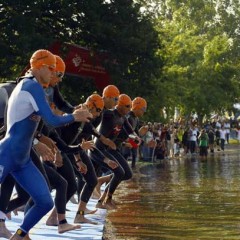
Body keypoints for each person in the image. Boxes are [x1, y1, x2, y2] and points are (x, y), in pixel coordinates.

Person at [0, 49, 92, 240]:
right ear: (41, 67)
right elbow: (51, 120)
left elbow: (49, 118)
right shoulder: (30, 85)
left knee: (44, 202)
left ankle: (18, 236)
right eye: (52, 70)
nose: (53, 74)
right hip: (7, 153)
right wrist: (76, 116)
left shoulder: (37, 87)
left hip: (23, 160)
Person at [119, 97, 147, 168]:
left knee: (134, 154)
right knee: (125, 154)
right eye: (143, 110)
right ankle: (124, 170)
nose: (144, 112)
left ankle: (132, 170)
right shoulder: (128, 117)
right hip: (124, 140)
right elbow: (125, 132)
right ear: (137, 107)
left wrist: (140, 139)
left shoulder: (136, 119)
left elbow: (136, 132)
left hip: (132, 139)